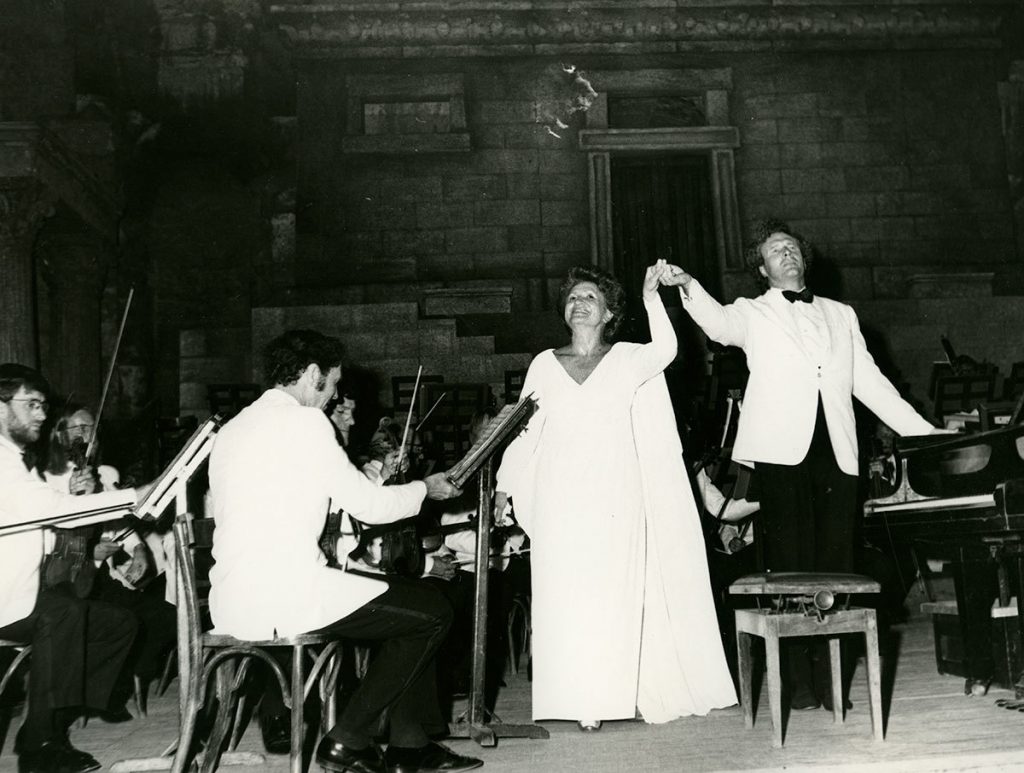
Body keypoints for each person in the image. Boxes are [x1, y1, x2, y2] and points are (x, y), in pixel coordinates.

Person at [669, 218, 939, 710]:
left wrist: (928, 435)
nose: (786, 253)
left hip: (837, 452)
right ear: (761, 269)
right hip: (781, 454)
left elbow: (872, 385)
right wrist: (688, 284)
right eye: (775, 250)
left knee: (837, 568)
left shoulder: (842, 314)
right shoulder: (752, 312)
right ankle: (796, 683)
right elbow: (717, 323)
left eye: (791, 246)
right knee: (790, 569)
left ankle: (833, 682)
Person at [207, 329, 482, 773]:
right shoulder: (305, 421)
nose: (333, 396)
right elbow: (368, 506)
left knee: (414, 604)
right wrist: (424, 489)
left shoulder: (235, 427)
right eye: (333, 384)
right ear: (313, 373)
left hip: (232, 597)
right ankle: (348, 740)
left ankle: (410, 745)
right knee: (432, 613)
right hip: (287, 595)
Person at [494, 262, 737, 731]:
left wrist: (651, 297)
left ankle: (614, 694)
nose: (579, 303)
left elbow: (667, 350)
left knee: (612, 594)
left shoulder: (627, 358)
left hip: (616, 491)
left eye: (590, 297)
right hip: (559, 494)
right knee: (566, 596)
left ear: (608, 314)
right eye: (572, 297)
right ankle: (580, 699)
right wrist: (505, 484)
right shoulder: (544, 363)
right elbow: (524, 432)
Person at [0, 364, 142, 773]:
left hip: (19, 590)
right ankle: (40, 748)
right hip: (7, 595)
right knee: (63, 613)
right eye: (32, 404)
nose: (42, 414)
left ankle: (46, 725)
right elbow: (52, 509)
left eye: (44, 405)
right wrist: (136, 495)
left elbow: (43, 528)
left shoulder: (15, 460)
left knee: (116, 624)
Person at [39, 402, 177, 722]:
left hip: (97, 575)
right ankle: (104, 694)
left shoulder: (103, 474)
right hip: (60, 577)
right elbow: (48, 532)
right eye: (79, 428)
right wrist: (89, 550)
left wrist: (138, 548)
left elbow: (117, 521)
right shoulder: (46, 477)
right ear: (59, 434)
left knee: (165, 616)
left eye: (92, 428)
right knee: (123, 619)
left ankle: (119, 682)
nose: (87, 435)